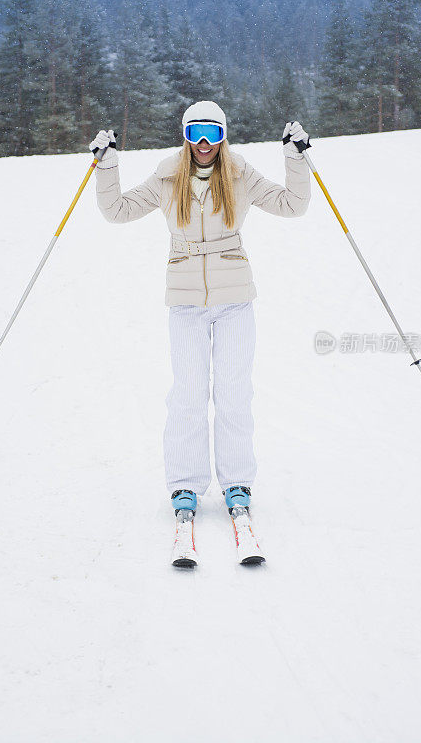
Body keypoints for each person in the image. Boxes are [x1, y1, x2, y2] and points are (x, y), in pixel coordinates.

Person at [90, 100, 311, 566]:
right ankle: (186, 486)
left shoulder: (242, 175)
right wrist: (107, 167)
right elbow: (117, 210)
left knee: (234, 392)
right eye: (196, 134)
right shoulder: (168, 176)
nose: (205, 144)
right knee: (188, 394)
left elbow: (293, 205)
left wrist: (295, 158)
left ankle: (236, 483)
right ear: (185, 136)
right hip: (185, 303)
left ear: (224, 135)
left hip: (235, 300)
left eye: (212, 133)